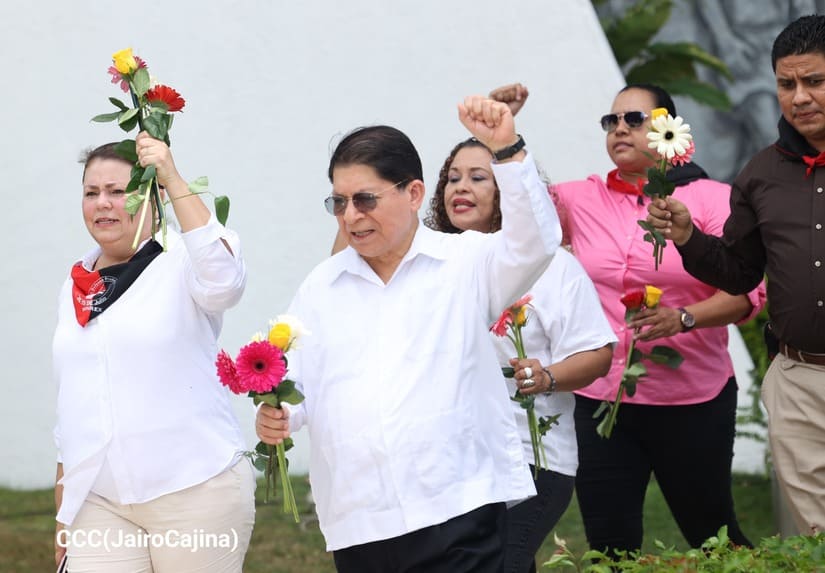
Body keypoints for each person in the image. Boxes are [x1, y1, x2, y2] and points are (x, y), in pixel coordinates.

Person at [256, 96, 562, 572]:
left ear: (414, 194)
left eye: (366, 200)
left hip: (459, 508)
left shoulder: (465, 262)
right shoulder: (322, 286)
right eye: (339, 203)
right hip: (361, 520)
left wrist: (507, 151)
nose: (350, 216)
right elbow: (299, 380)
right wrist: (279, 415)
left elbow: (536, 243)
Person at [491, 82, 766, 555]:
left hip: (691, 399)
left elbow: (747, 293)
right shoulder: (579, 199)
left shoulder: (712, 199)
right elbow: (521, 214)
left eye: (634, 119)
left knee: (713, 537)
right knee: (610, 547)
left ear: (668, 130)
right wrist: (503, 137)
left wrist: (682, 318)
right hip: (602, 403)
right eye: (611, 121)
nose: (620, 128)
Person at [647, 15, 825, 535]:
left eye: (815, 81)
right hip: (798, 381)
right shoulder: (759, 174)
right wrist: (688, 237)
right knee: (816, 535)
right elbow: (740, 273)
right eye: (787, 84)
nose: (799, 97)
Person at [53, 132, 254, 572]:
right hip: (100, 499)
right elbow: (73, 401)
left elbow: (225, 281)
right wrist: (63, 507)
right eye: (91, 192)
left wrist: (172, 177)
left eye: (117, 191)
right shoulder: (77, 284)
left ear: (152, 197)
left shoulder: (182, 260)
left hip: (194, 489)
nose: (102, 204)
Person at [423, 137, 615, 573]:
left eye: (477, 178)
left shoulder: (554, 267)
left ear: (508, 192)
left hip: (533, 459)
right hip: (457, 460)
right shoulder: (431, 263)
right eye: (452, 178)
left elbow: (597, 353)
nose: (460, 187)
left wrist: (547, 376)